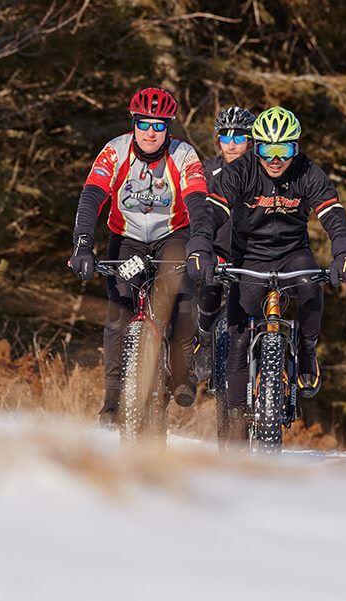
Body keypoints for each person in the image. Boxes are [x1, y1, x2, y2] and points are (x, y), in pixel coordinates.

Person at [184, 106, 346, 440]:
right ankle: (233, 433)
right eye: (267, 150)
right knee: (237, 340)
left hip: (293, 254)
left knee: (312, 288)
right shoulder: (241, 171)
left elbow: (333, 213)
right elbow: (212, 210)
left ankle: (307, 352)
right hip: (248, 256)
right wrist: (200, 244)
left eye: (285, 150)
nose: (275, 160)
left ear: (296, 148)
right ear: (257, 147)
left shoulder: (308, 172)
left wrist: (345, 251)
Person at [69, 86, 210, 427]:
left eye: (159, 126)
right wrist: (83, 244)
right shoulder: (114, 152)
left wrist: (202, 244)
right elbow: (91, 198)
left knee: (183, 300)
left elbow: (198, 204)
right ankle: (114, 400)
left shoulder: (183, 155)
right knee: (118, 315)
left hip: (172, 237)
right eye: (144, 124)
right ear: (133, 123)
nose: (151, 132)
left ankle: (180, 373)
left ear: (168, 129)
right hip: (127, 239)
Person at [192, 106, 257, 378]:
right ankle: (205, 340)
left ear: (251, 142)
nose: (232, 144)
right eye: (226, 137)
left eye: (239, 137)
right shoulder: (206, 170)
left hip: (252, 252)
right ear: (217, 140)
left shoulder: (262, 170)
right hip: (217, 249)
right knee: (209, 290)